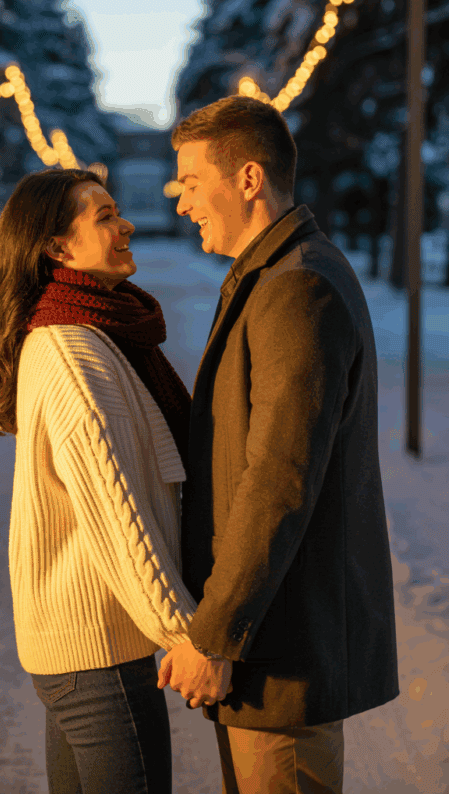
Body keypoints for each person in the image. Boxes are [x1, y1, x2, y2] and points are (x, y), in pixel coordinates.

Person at [157, 95, 399, 794]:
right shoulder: (280, 273)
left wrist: (213, 634)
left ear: (249, 179)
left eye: (193, 184)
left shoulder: (299, 288)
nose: (182, 204)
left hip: (284, 648)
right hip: (271, 643)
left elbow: (278, 479)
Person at [0, 167, 205, 794]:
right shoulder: (75, 352)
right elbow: (123, 518)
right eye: (104, 216)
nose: (125, 224)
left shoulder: (96, 334)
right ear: (58, 249)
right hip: (99, 657)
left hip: (83, 655)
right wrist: (192, 637)